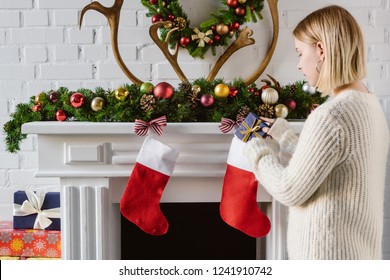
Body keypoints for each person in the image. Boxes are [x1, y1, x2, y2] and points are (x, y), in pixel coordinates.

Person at [243, 5, 390, 259]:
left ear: (321, 50)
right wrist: (284, 135)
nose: (299, 64)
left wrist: (255, 148)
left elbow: (289, 189)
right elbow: (324, 166)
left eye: (300, 53)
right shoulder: (369, 105)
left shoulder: (331, 116)